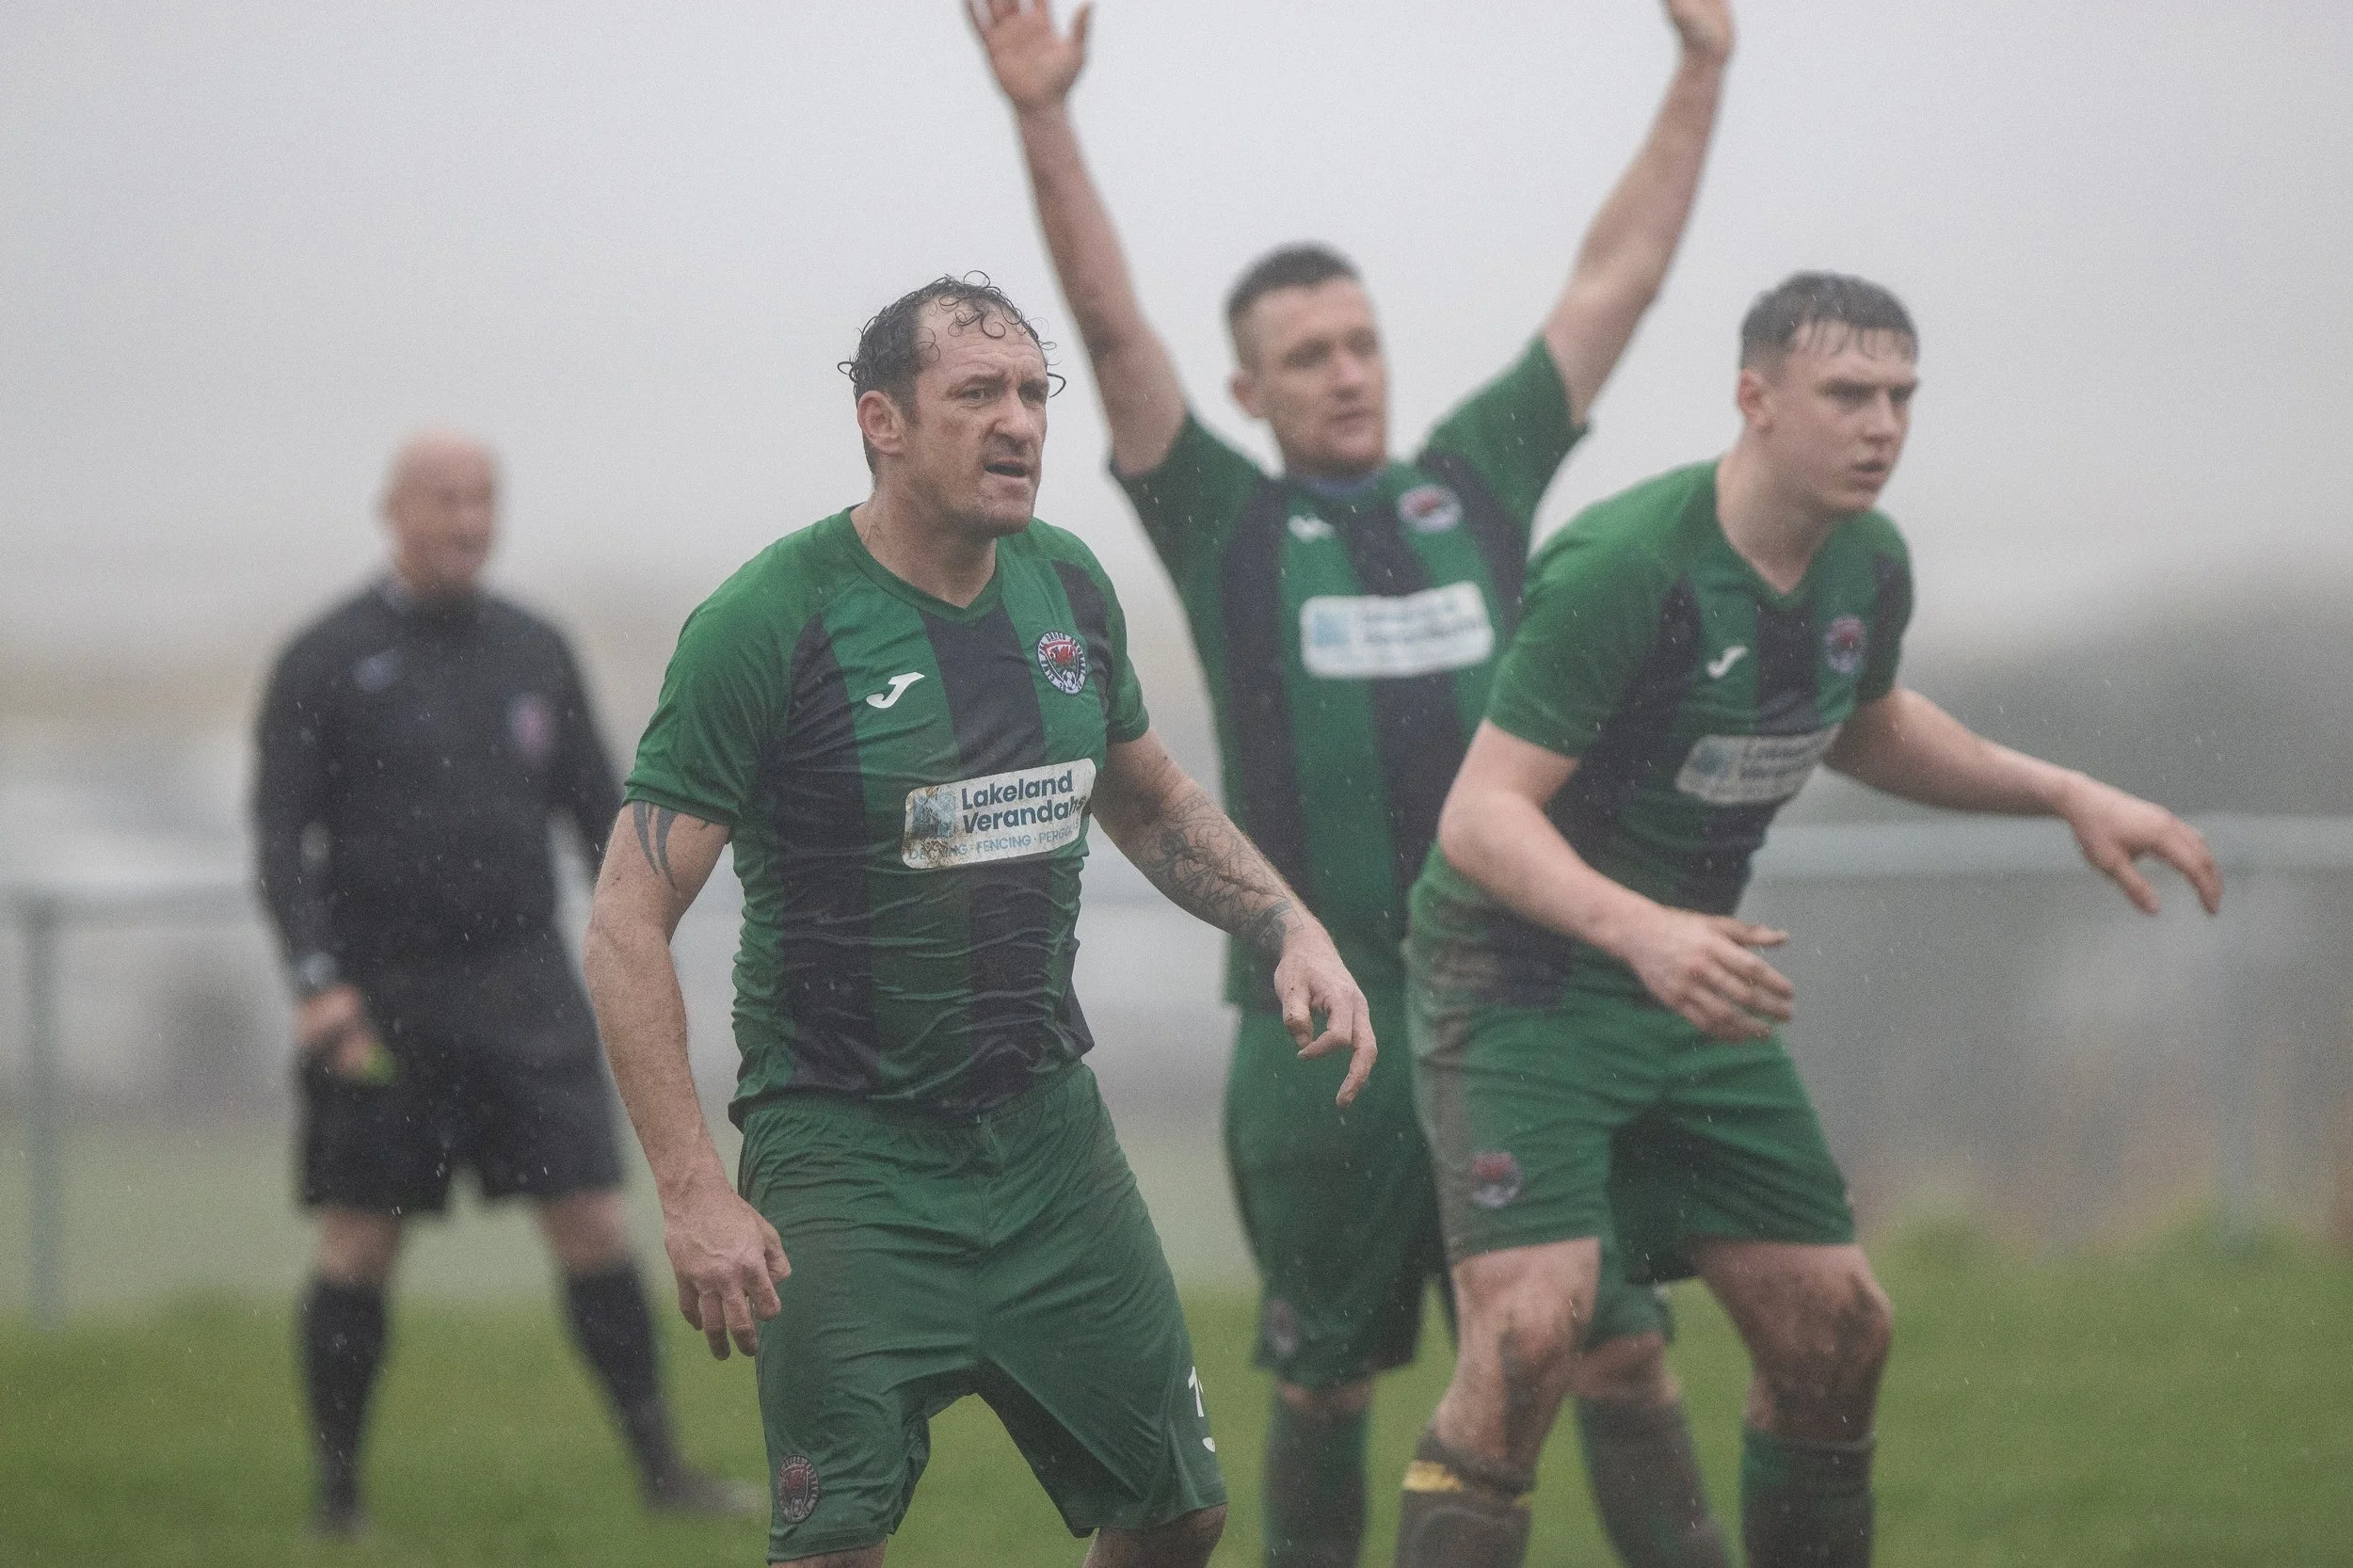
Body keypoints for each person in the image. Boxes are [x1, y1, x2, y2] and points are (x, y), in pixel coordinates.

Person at [968, 2, 1737, 1562]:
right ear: (1248, 394)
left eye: (1360, 342)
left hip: (1526, 1011)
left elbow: (1616, 282)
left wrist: (1701, 68)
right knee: (1322, 1387)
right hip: (1325, 1030)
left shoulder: (1477, 478)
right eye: (1303, 357)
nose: (1344, 373)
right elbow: (1112, 338)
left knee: (1618, 1343)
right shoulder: (1226, 523)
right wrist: (1043, 113)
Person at [1391, 273, 2228, 1568]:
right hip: (1521, 975)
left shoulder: (1865, 560)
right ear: (1756, 399)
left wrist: (2061, 790)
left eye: (1901, 396)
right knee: (1528, 1337)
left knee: (1838, 1327)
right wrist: (1644, 931)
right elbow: (1482, 819)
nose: (1882, 423)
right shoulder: (1628, 565)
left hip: (1690, 977)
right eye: (1848, 393)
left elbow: (1867, 720)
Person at [582, 276, 1379, 1568]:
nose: (1020, 423)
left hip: (1045, 1136)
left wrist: (1292, 925)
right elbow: (626, 917)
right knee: (835, 1539)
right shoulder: (766, 621)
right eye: (978, 394)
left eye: (1033, 392)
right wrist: (689, 1191)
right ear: (881, 421)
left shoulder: (1066, 587)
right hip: (842, 1148)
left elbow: (1154, 799)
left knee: (1179, 1514)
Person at [252, 431, 756, 1536]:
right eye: (444, 498)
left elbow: (603, 814)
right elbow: (280, 835)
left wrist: (646, 940)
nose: (468, 519)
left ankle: (663, 1470)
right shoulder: (327, 657)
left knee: (591, 1222)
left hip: (523, 987)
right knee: (360, 1241)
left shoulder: (534, 648)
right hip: (382, 999)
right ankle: (337, 1501)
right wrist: (316, 983)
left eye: (485, 498)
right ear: (393, 510)